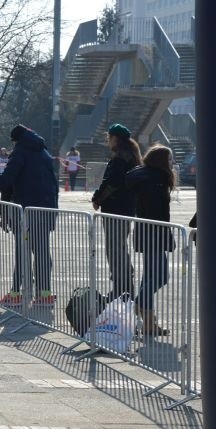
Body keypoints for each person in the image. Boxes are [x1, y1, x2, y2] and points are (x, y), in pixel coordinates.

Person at [0, 124, 59, 306]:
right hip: (46, 208)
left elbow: (7, 179)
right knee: (42, 252)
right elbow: (54, 185)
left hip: (26, 210)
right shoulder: (44, 153)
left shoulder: (20, 153)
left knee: (22, 251)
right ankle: (44, 294)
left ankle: (16, 293)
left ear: (16, 140)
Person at [125, 144, 176, 337]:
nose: (172, 164)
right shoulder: (156, 179)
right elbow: (157, 211)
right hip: (153, 232)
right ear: (161, 161)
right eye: (170, 159)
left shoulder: (147, 176)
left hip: (149, 232)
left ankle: (148, 323)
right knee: (161, 277)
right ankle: (139, 305)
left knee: (150, 277)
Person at [91, 123, 141, 300]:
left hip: (115, 209)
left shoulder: (119, 159)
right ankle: (125, 282)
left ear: (115, 138)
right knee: (119, 246)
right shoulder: (131, 157)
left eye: (109, 137)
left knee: (114, 248)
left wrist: (97, 199)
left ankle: (121, 286)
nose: (107, 141)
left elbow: (111, 184)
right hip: (126, 208)